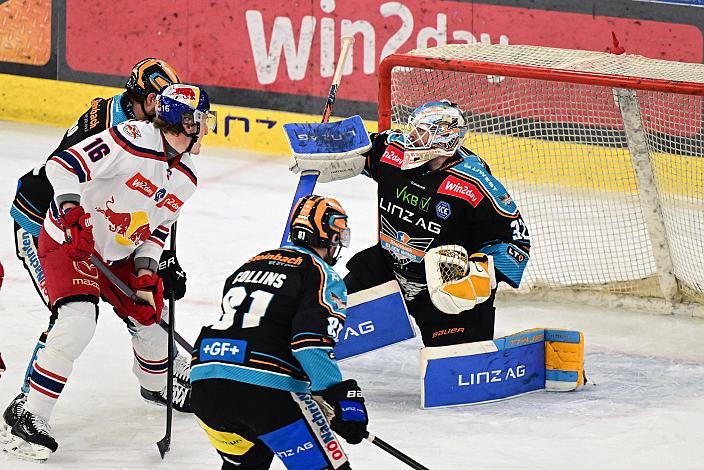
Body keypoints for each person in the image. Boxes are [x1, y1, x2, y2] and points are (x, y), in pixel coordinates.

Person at [2, 83, 215, 461]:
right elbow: (63, 165)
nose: (203, 127)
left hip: (120, 253)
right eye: (197, 119)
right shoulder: (129, 138)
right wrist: (71, 212)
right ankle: (28, 415)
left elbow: (156, 230)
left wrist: (148, 274)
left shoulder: (187, 178)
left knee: (153, 314)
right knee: (77, 319)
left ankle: (156, 385)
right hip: (71, 242)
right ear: (176, 121)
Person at [290, 100, 531, 347]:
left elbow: (516, 242)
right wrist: (319, 143)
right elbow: (356, 146)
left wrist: (479, 273)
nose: (411, 137)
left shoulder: (475, 185)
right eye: (413, 129)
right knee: (320, 320)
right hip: (386, 270)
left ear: (444, 138)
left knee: (455, 369)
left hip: (442, 288)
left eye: (422, 131)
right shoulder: (393, 151)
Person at [190, 195, 368, 470]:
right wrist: (337, 396)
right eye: (338, 234)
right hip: (266, 394)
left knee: (249, 462)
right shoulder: (321, 274)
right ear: (328, 236)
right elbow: (310, 343)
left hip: (206, 387)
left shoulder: (251, 263)